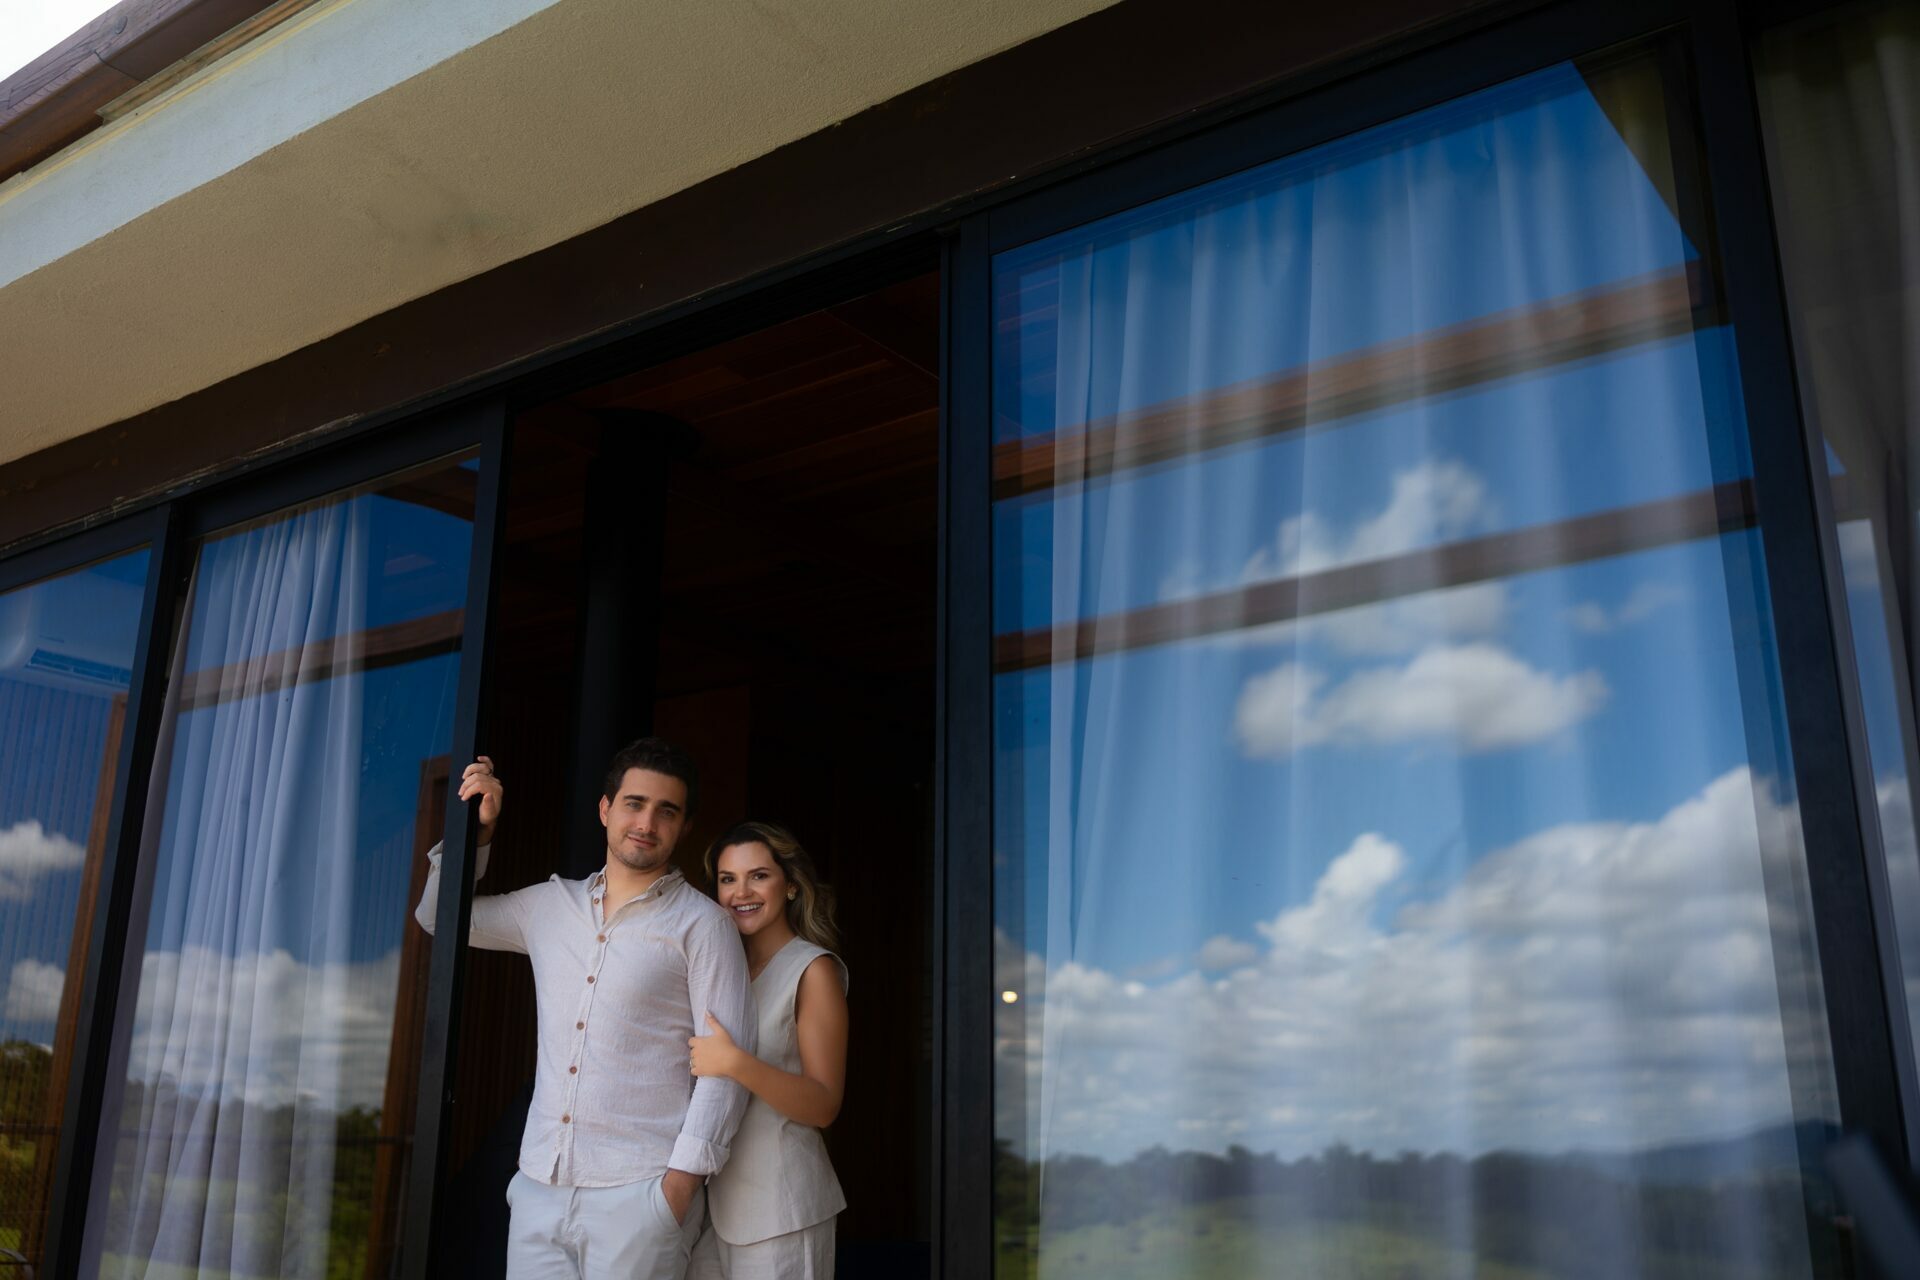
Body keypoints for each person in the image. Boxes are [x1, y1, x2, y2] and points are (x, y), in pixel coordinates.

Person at [414, 740, 755, 1280]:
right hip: (539, 1187)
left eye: (666, 811)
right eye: (634, 804)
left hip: (640, 1195)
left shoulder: (704, 925)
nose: (646, 823)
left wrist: (679, 1188)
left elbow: (727, 1068)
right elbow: (438, 917)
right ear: (605, 809)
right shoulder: (548, 906)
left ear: (685, 826)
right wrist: (476, 834)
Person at [684, 822, 849, 1280]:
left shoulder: (812, 970)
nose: (741, 892)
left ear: (790, 885)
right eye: (728, 879)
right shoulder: (722, 970)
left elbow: (824, 1104)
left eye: (758, 876)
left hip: (782, 1213)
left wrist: (735, 1063)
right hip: (712, 1211)